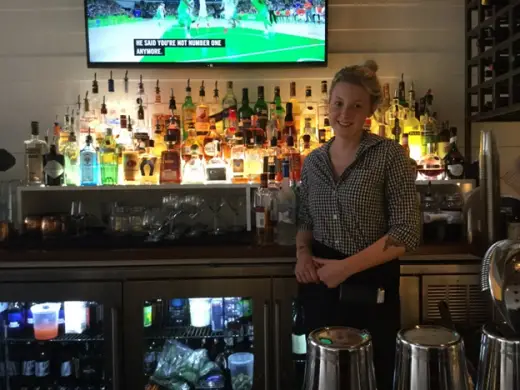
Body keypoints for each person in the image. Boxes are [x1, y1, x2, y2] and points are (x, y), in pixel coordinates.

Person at [295, 60, 420, 390]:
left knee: (372, 374)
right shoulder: (313, 162)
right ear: (328, 104)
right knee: (324, 376)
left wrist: (345, 269)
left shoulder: (389, 155)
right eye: (338, 103)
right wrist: (302, 254)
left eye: (356, 105)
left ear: (371, 111)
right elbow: (305, 218)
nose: (344, 113)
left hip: (371, 285)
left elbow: (407, 231)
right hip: (321, 286)